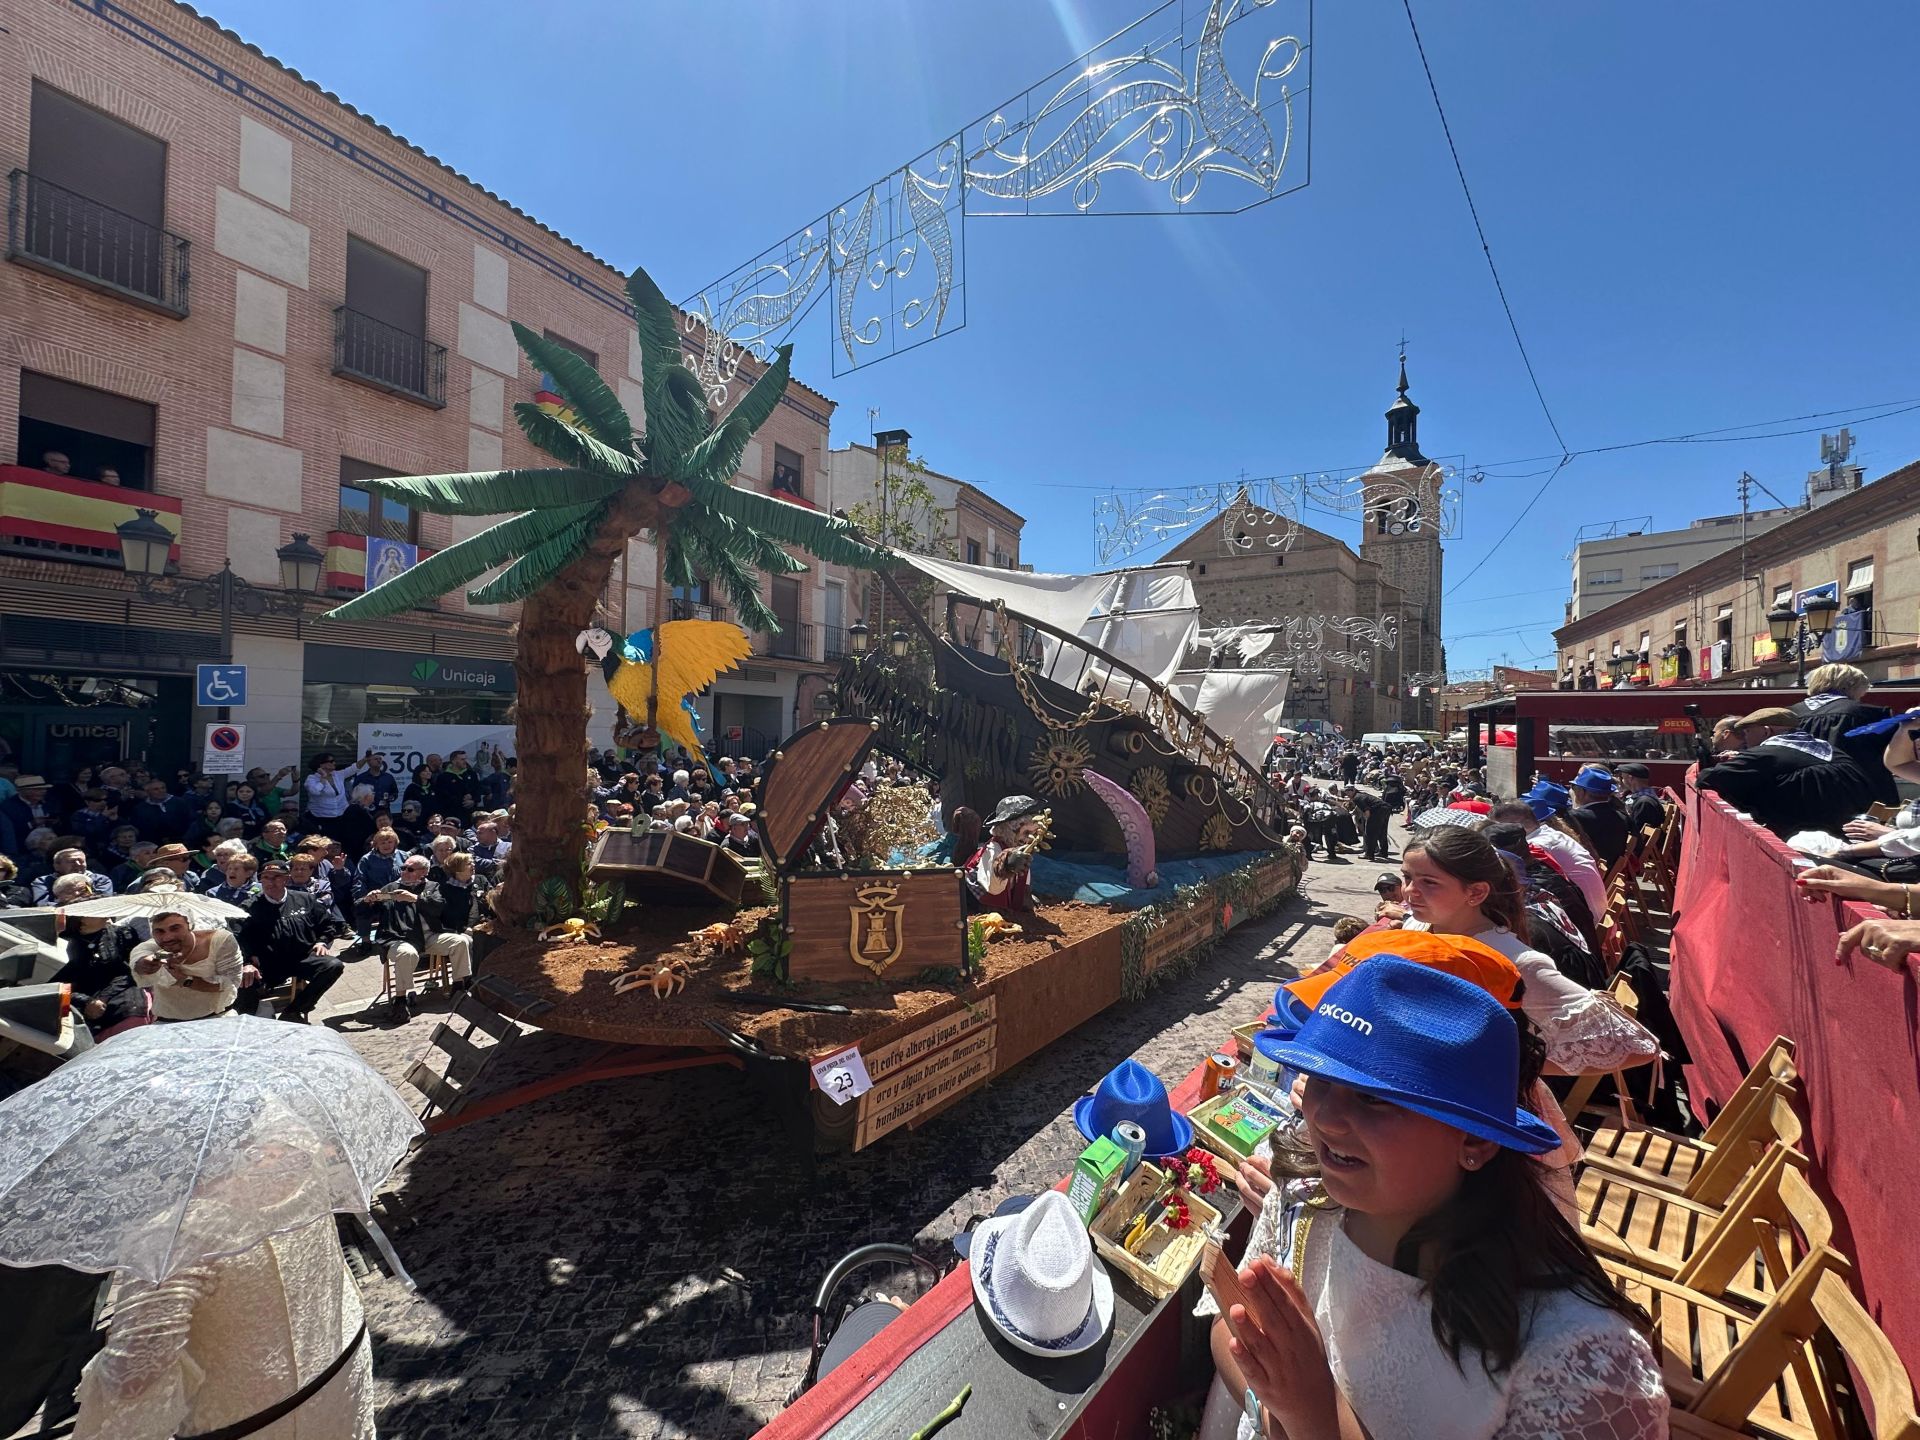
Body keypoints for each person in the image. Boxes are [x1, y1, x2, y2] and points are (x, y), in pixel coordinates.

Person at [1197, 959, 1665, 1440]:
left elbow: (1294, 1398)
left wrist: (1310, 1413)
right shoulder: (1305, 1199)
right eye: (1320, 1079)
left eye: (1374, 1097)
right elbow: (1230, 1326)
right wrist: (1274, 1408)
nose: (1324, 1117)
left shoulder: (1580, 1366)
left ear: (1475, 1140)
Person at [1397, 826, 1657, 1078]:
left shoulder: (1514, 961)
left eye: (1429, 882)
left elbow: (1635, 1046)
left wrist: (1503, 1064)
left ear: (1476, 892)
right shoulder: (1417, 926)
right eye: (1407, 878)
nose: (1409, 891)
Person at [1700, 706, 1876, 838]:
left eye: (1747, 732)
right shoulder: (1830, 749)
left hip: (1803, 836)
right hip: (1851, 830)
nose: (1745, 739)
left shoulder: (1767, 754)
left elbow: (1708, 778)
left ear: (1766, 731)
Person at [356, 854, 467, 1020]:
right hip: (400, 938)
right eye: (403, 868)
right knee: (407, 953)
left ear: (423, 872)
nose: (404, 872)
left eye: (409, 869)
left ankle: (458, 986)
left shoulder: (433, 886)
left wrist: (415, 899)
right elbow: (362, 913)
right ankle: (400, 999)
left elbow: (439, 907)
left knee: (460, 941)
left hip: (430, 936)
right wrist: (366, 900)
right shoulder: (391, 888)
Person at [236, 861, 346, 1022]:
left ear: (286, 879)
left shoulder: (306, 899)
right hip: (267, 963)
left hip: (302, 958)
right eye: (265, 878)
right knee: (245, 980)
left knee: (333, 965)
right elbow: (238, 938)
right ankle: (249, 1023)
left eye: (276, 877)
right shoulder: (249, 907)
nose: (270, 882)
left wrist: (322, 941)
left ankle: (294, 1011)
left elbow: (327, 925)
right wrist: (246, 962)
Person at [49, 873, 148, 1037]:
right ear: (81, 918)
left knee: (131, 1008)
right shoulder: (65, 942)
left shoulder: (122, 933)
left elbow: (130, 969)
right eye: (98, 911)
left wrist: (103, 998)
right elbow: (57, 983)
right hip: (79, 996)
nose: (105, 913)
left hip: (119, 990)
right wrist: (86, 1001)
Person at [1792, 662, 1900, 805]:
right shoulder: (1870, 714)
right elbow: (1895, 757)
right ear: (1852, 686)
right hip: (1859, 797)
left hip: (1805, 796)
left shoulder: (1790, 715)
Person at [1501, 794, 1608, 923]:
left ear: (1513, 827)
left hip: (1589, 922)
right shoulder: (1553, 835)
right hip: (1596, 915)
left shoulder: (1537, 845)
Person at [129, 906, 244, 1021]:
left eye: (175, 928)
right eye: (159, 931)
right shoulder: (149, 947)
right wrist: (145, 965)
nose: (167, 937)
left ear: (190, 926)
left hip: (217, 1018)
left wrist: (185, 980)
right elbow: (140, 959)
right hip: (167, 1023)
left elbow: (231, 983)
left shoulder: (220, 941)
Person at [966, 795, 1045, 912]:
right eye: (1026, 832)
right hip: (986, 896)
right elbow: (992, 886)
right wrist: (1007, 866)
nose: (1030, 838)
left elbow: (1023, 875)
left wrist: (1025, 894)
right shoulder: (993, 850)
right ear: (1009, 830)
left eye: (1034, 832)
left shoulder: (1022, 848)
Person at [1566, 767, 1628, 870]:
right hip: (1611, 872)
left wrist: (1574, 804)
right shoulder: (1622, 817)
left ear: (1582, 791)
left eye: (1574, 787)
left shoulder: (1575, 817)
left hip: (1586, 871)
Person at [30, 846, 114, 903]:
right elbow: (43, 905)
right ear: (57, 866)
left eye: (81, 861)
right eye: (71, 861)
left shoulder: (100, 879)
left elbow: (103, 901)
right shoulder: (43, 882)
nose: (78, 864)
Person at [1612, 763, 1667, 837]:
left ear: (1630, 778)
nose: (1621, 781)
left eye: (1622, 778)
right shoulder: (1642, 798)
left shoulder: (1645, 803)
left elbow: (1637, 832)